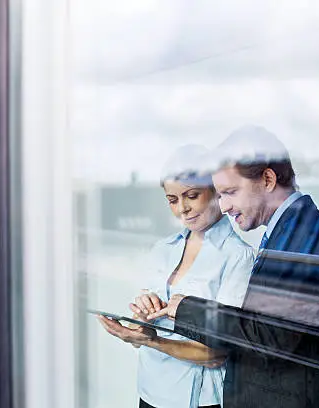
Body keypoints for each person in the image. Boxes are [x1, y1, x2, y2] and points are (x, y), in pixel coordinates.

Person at [103, 125, 319, 407]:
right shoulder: (289, 231)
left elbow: (269, 336)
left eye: (230, 192)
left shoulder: (303, 235)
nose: (226, 206)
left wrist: (184, 308)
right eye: (221, 194)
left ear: (268, 179)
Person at [98, 144, 254, 408]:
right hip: (149, 392)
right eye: (172, 200)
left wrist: (153, 340)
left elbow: (218, 352)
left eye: (191, 196)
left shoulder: (238, 257)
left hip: (196, 401)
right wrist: (139, 323)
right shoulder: (162, 249)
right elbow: (143, 335)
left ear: (216, 190)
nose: (182, 208)